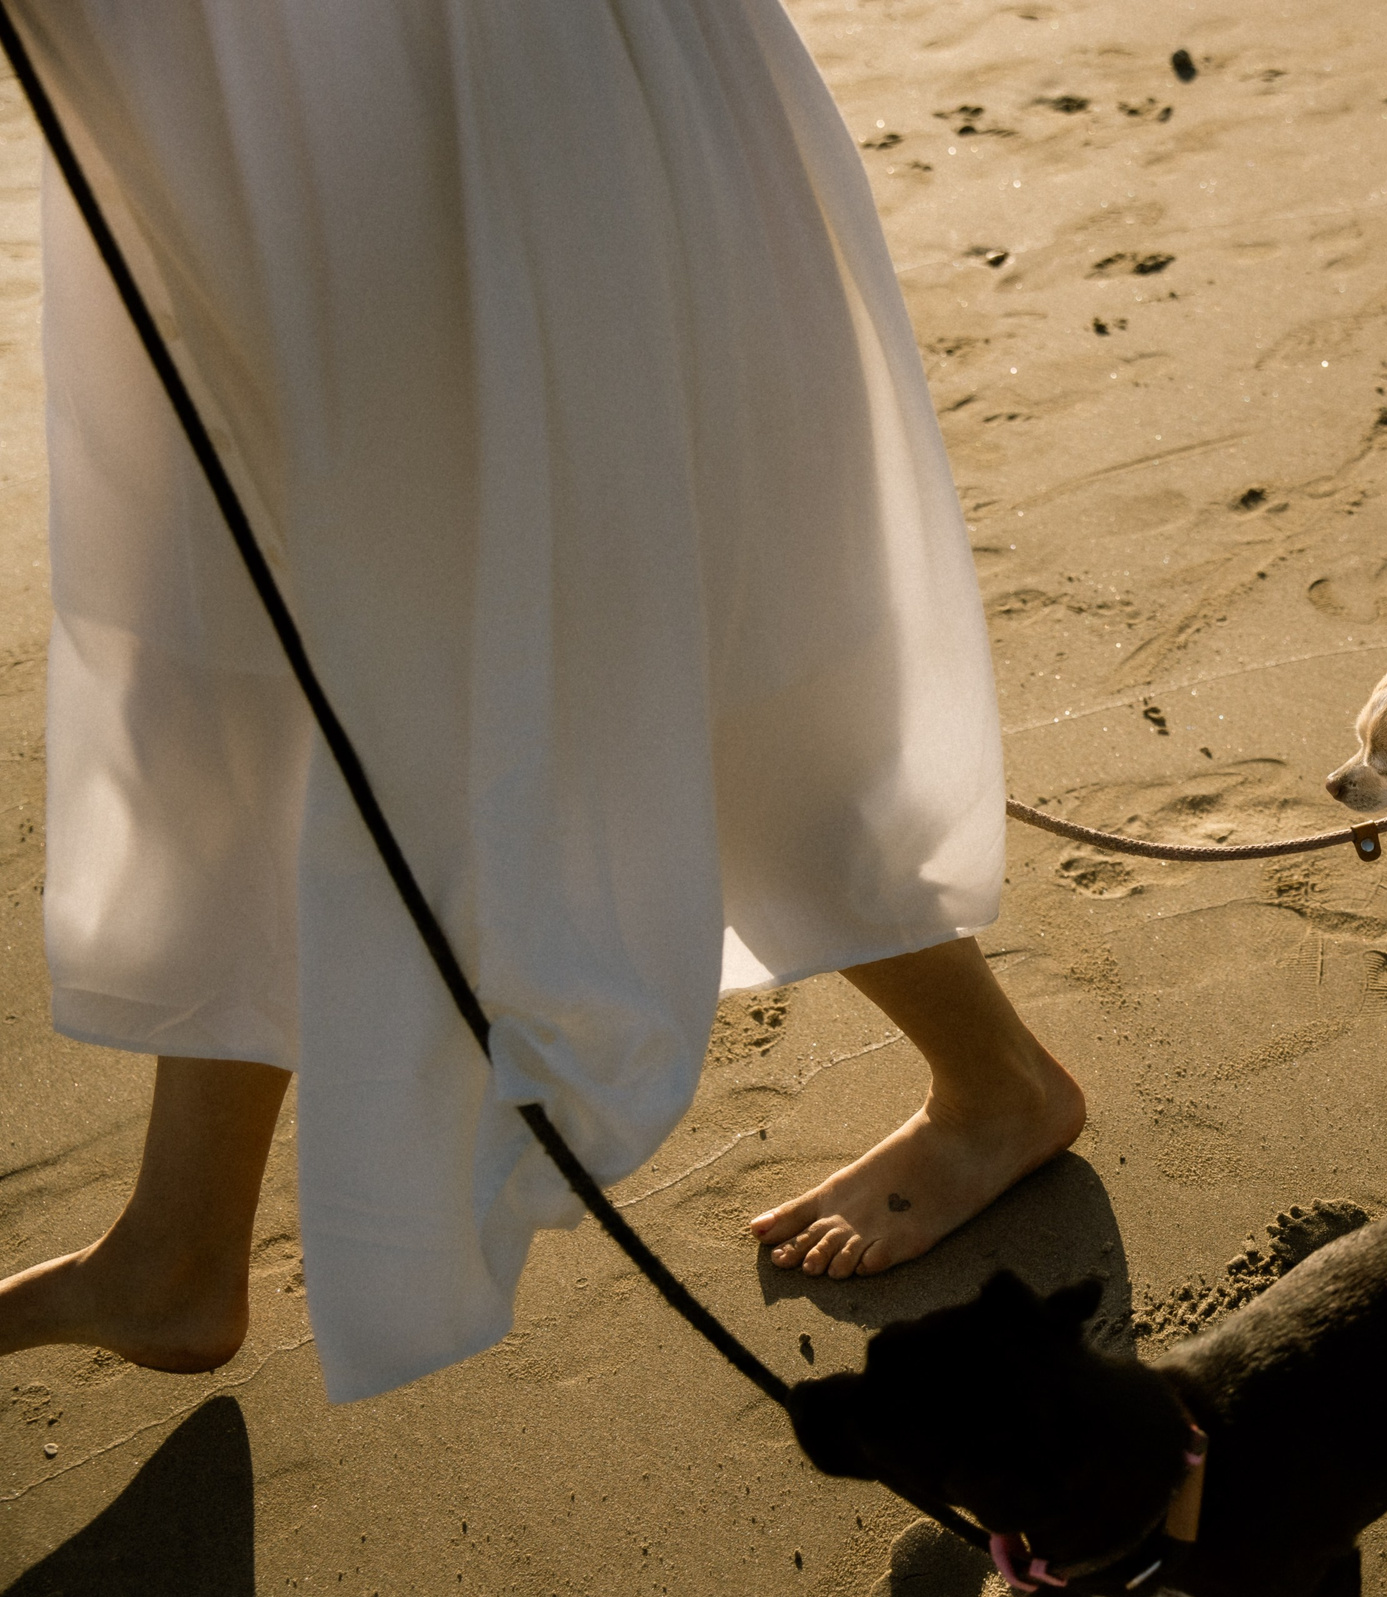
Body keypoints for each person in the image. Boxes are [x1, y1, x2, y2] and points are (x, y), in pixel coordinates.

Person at [0, 1, 1080, 1402]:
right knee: (252, 593)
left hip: (397, 82)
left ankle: (992, 1076)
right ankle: (178, 1239)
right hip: (238, 110)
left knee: (575, 559)